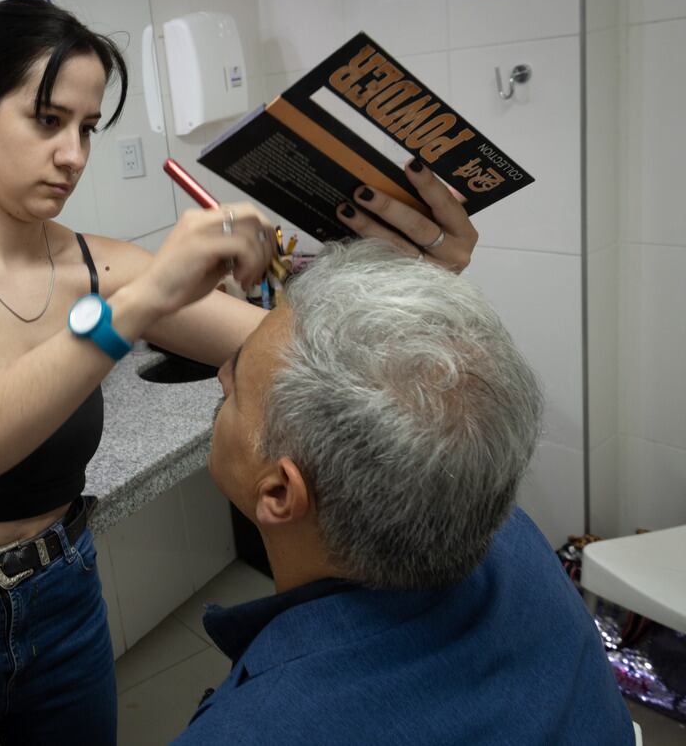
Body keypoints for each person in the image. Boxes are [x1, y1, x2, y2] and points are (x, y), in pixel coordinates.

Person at [0, 0, 480, 745]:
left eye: (86, 127)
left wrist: (413, 276)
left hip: (62, 592)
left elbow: (299, 349)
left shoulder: (99, 264)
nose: (73, 154)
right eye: (47, 120)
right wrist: (135, 307)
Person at [174, 238, 632, 745]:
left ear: (281, 493)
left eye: (237, 385)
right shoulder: (502, 527)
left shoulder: (248, 731)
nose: (221, 375)